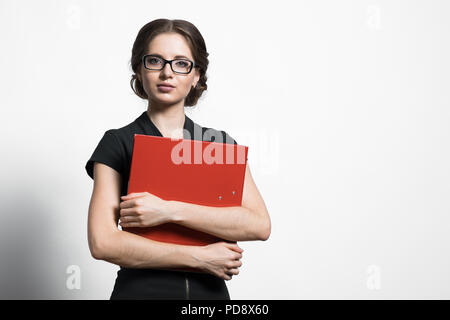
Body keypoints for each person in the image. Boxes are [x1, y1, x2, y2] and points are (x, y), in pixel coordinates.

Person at [85, 19, 271, 300]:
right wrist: (199, 258)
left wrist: (168, 210)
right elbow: (102, 242)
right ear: (139, 68)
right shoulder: (117, 143)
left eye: (181, 63)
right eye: (155, 61)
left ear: (197, 75)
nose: (166, 73)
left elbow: (259, 224)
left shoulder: (216, 143)